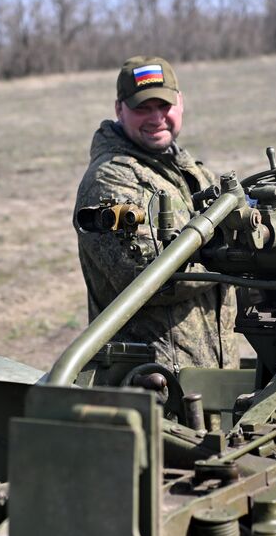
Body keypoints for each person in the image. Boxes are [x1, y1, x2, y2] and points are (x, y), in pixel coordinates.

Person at [73, 56, 239, 370]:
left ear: (181, 103)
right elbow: (152, 279)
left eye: (164, 106)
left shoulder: (188, 170)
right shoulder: (109, 182)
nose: (156, 118)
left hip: (208, 376)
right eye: (142, 109)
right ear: (119, 109)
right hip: (152, 381)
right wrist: (239, 257)